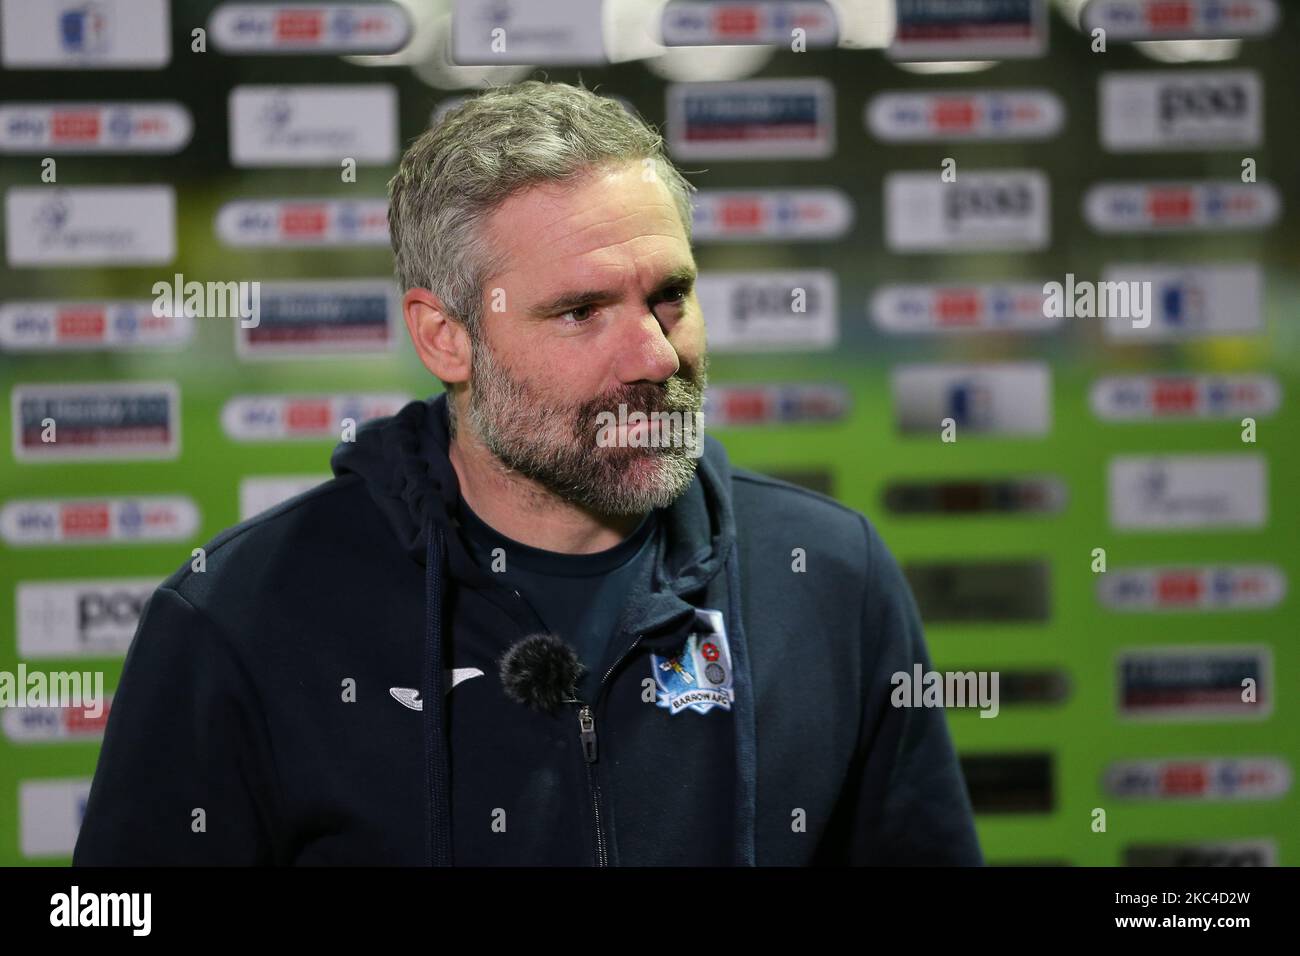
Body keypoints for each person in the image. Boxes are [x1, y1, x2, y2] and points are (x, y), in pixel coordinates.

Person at [74, 80, 982, 866]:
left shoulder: (830, 577)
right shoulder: (237, 618)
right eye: (582, 311)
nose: (653, 354)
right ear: (445, 337)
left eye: (670, 295)